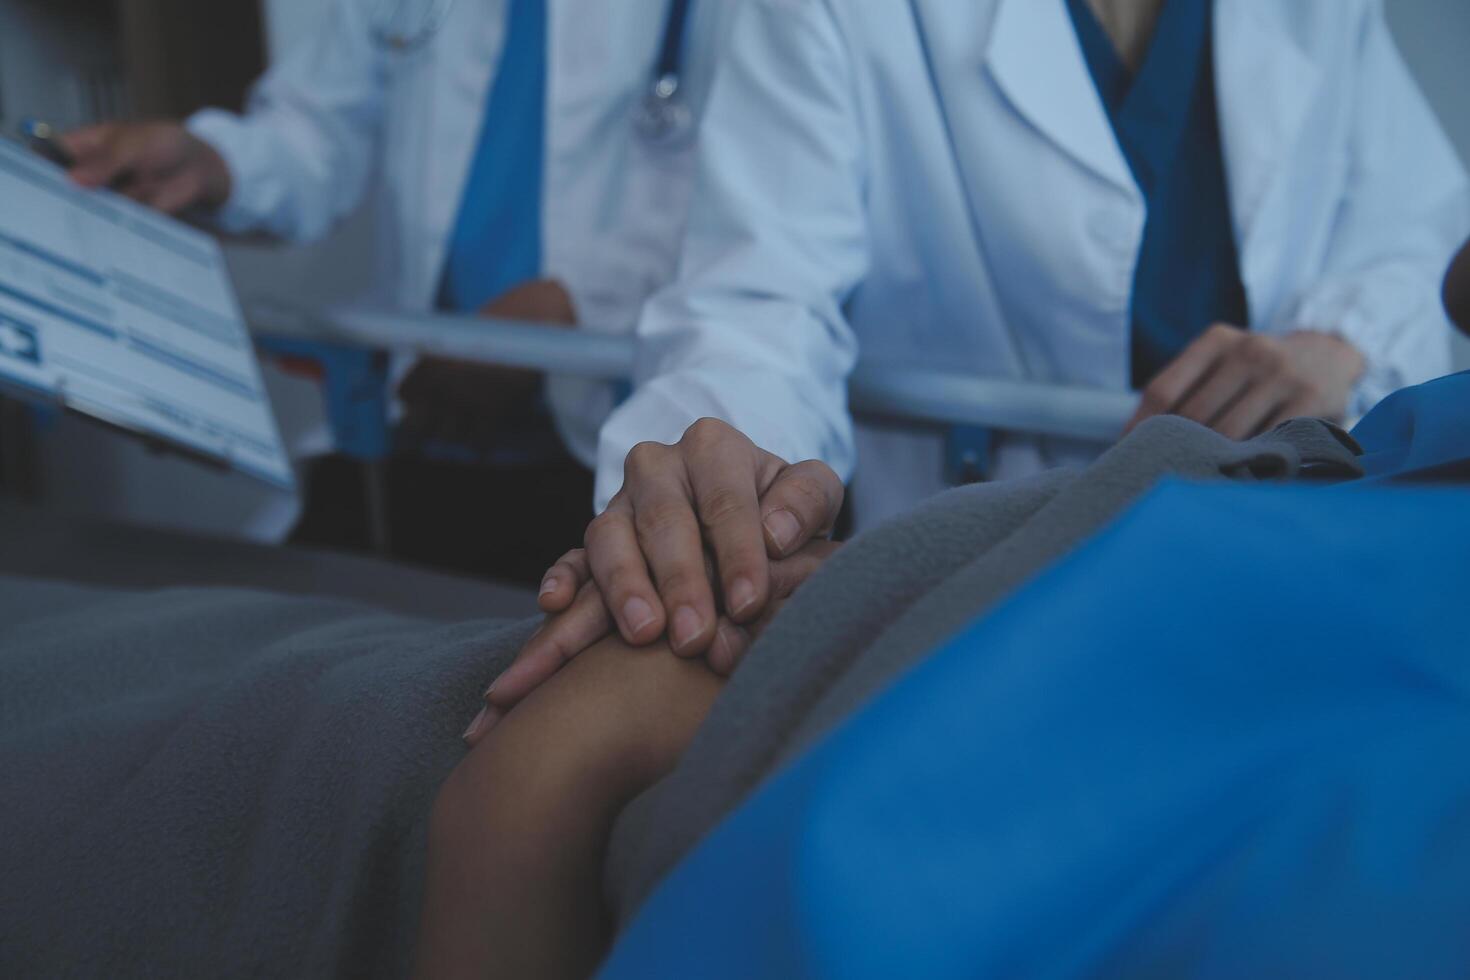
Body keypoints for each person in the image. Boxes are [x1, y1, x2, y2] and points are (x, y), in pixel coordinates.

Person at [508, 0, 1469, 686]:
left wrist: (1339, 343)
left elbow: (1420, 236)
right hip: (964, 608)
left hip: (1276, 593)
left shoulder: (1328, 16)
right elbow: (764, 298)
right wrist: (720, 470)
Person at [59, 0, 726, 584]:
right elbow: (315, 131)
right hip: (419, 432)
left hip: (621, 449)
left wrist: (574, 306)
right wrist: (215, 163)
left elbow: (765, 213)